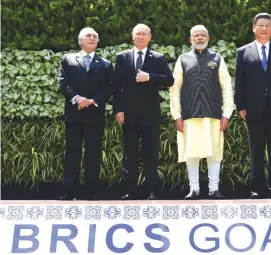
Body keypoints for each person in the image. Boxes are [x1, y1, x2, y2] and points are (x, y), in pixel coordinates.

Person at [234, 13, 271, 199]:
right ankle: (257, 188)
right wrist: (240, 105)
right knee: (256, 150)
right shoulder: (243, 52)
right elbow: (240, 81)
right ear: (253, 28)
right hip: (254, 108)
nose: (264, 28)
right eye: (260, 25)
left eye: (267, 25)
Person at [169, 25, 234, 200]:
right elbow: (175, 88)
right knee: (192, 152)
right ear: (190, 39)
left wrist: (227, 113)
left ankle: (214, 189)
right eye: (196, 35)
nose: (199, 38)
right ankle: (194, 189)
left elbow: (226, 86)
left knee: (215, 152)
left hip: (214, 114)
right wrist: (176, 115)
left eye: (202, 35)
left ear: (208, 38)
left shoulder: (217, 58)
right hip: (189, 115)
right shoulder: (183, 59)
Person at [113, 23, 174, 200]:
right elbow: (117, 87)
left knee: (151, 153)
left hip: (150, 114)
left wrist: (150, 77)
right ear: (132, 36)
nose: (140, 37)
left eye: (144, 34)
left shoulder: (158, 58)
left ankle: (151, 191)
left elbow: (169, 80)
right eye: (137, 34)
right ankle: (129, 191)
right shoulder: (122, 57)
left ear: (150, 37)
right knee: (129, 153)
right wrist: (118, 110)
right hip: (128, 114)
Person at [59, 27, 114, 200]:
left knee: (93, 153)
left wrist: (93, 100)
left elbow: (109, 87)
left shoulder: (105, 64)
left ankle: (92, 191)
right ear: (80, 41)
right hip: (74, 113)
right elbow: (63, 83)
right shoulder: (68, 60)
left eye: (95, 36)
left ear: (98, 42)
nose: (92, 38)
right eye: (88, 36)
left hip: (94, 114)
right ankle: (69, 191)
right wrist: (77, 98)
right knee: (72, 152)